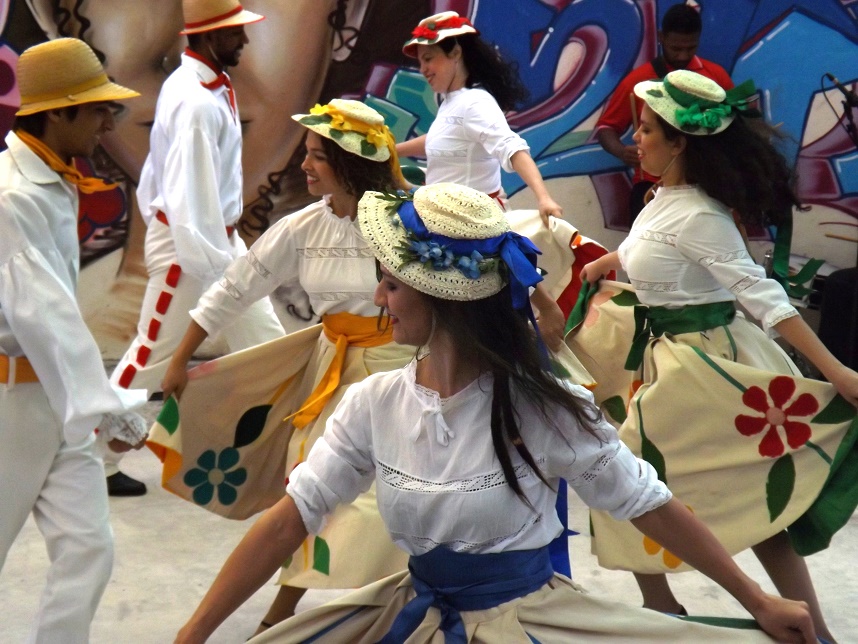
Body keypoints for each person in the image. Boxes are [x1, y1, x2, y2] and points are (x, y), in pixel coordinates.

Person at [172, 183, 816, 643]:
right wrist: (192, 634)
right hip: (413, 614)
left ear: (440, 298)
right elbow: (289, 524)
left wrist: (756, 600)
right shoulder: (374, 403)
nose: (378, 296)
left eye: (391, 283)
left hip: (524, 623)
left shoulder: (542, 406)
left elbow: (648, 503)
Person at [577, 69, 858, 643]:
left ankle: (781, 629)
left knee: (632, 486)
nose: (635, 138)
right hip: (671, 364)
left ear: (681, 141)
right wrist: (608, 264)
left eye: (647, 129)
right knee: (680, 494)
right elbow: (650, 251)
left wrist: (836, 370)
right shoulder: (663, 197)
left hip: (710, 369)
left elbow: (761, 296)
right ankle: (677, 615)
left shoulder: (701, 215)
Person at [154, 99, 414, 636]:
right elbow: (236, 285)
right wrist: (181, 358)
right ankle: (286, 608)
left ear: (348, 161)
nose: (304, 165)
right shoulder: (303, 226)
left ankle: (380, 605)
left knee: (382, 496)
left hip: (399, 373)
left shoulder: (404, 220)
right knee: (309, 489)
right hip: (330, 368)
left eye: (317, 155)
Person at [0, 38, 149, 641]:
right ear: (56, 113)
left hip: (55, 400)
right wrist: (107, 405)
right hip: (11, 407)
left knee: (88, 548)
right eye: (95, 109)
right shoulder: (12, 197)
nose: (108, 120)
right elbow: (46, 314)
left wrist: (92, 403)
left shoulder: (50, 177)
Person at [103, 0, 286, 494]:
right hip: (193, 248)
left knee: (268, 345)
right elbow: (185, 197)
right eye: (235, 33)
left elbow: (170, 186)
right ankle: (93, 458)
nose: (244, 42)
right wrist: (216, 265)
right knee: (150, 361)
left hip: (213, 241)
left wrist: (224, 254)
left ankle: (288, 449)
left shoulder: (205, 88)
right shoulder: (194, 101)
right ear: (207, 36)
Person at [395, 11, 563, 226]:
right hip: (446, 222)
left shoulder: (474, 102)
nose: (423, 69)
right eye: (420, 62)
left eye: (428, 58)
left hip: (471, 230)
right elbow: (442, 138)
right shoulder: (453, 102)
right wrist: (391, 151)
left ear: (455, 53)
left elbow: (511, 148)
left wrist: (544, 198)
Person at [595, 3, 733, 224]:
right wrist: (621, 151)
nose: (682, 55)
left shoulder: (715, 78)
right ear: (661, 37)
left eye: (690, 48)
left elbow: (738, 125)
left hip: (706, 185)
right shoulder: (638, 80)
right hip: (651, 187)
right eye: (676, 48)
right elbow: (605, 129)